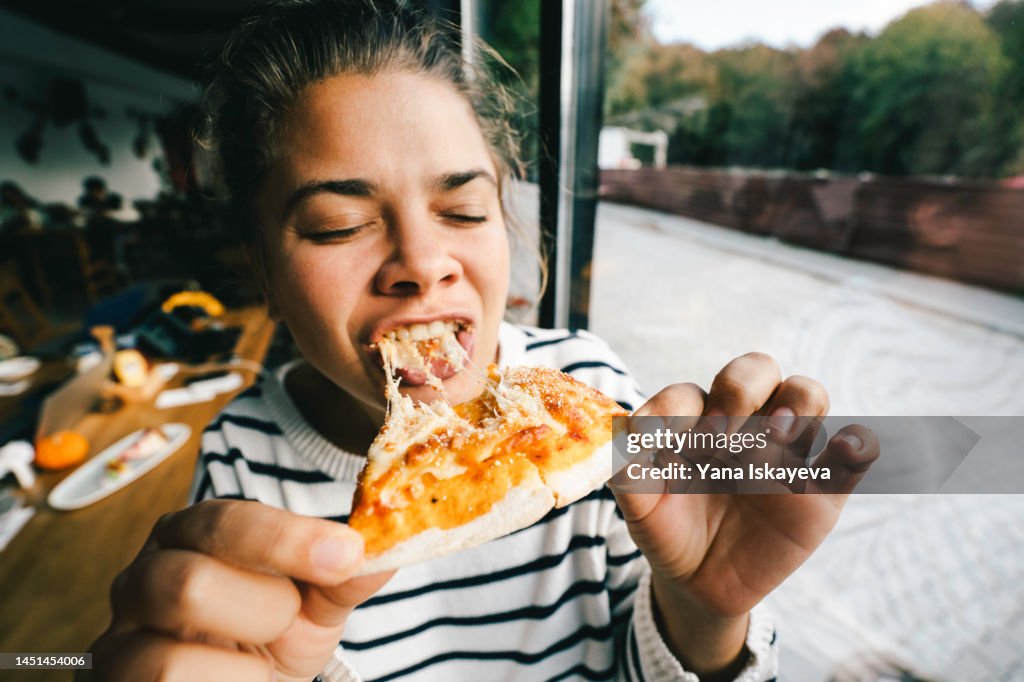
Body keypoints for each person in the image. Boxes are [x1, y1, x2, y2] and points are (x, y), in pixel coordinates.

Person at [88, 2, 879, 680]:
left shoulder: (589, 392)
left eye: (463, 211)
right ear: (262, 269)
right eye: (339, 225)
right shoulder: (239, 457)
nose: (424, 264)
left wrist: (703, 616)